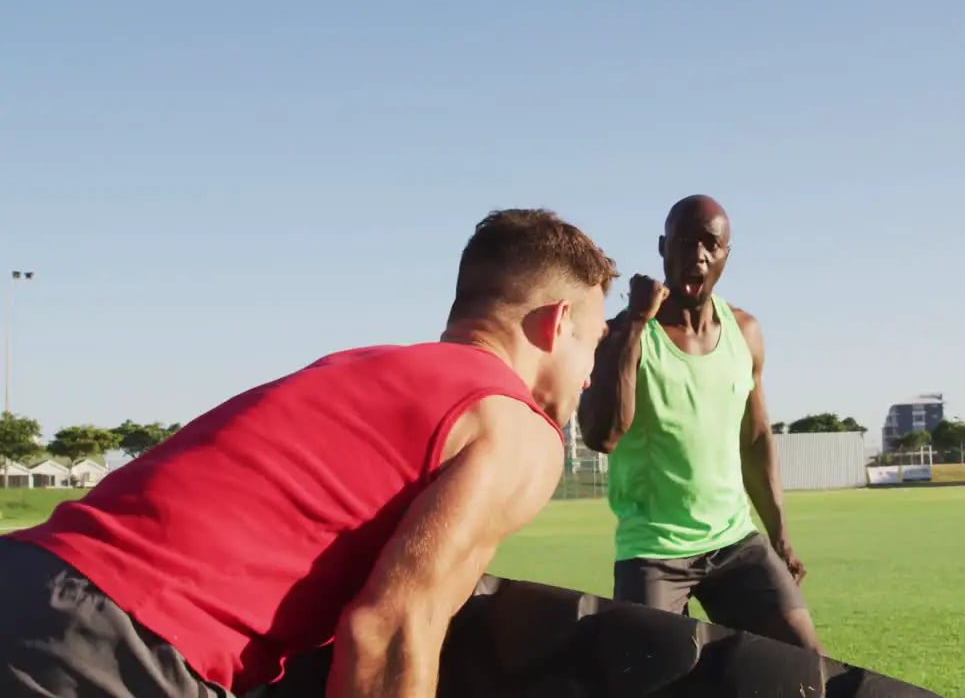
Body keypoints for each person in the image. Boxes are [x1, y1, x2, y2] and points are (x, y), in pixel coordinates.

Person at [0, 209, 617, 698]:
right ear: (557, 323)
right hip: (113, 646)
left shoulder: (361, 366)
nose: (590, 374)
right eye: (594, 342)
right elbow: (389, 632)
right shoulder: (517, 427)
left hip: (28, 574)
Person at [577, 194, 823, 652]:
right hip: (654, 551)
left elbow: (755, 438)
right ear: (662, 247)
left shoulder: (744, 331)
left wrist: (780, 536)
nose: (697, 255)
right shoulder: (618, 335)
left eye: (711, 244)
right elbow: (603, 436)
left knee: (803, 662)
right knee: (647, 678)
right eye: (683, 242)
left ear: (727, 254)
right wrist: (635, 321)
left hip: (735, 542)